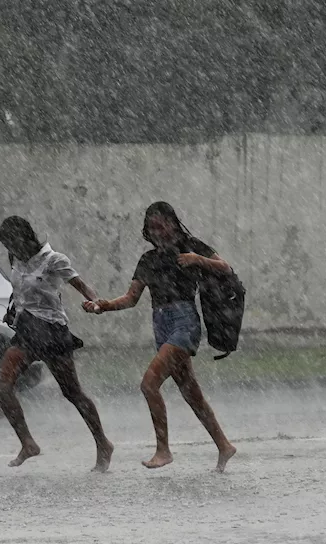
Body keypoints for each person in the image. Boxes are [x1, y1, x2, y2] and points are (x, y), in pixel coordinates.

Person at [83, 202, 238, 473]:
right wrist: (103, 305)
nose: (157, 231)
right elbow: (131, 299)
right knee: (192, 394)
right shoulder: (148, 259)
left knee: (149, 384)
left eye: (160, 225)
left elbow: (225, 267)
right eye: (151, 227)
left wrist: (197, 259)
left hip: (184, 322)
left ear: (172, 223)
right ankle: (224, 445)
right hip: (161, 325)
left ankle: (163, 450)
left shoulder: (190, 245)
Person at [0, 216, 114, 472]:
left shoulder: (53, 260)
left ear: (26, 237)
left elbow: (81, 286)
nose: (11, 250)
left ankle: (103, 443)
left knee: (72, 393)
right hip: (27, 330)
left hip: (51, 330)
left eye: (12, 243)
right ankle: (28, 443)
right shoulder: (15, 259)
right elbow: (19, 291)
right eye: (7, 246)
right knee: (3, 386)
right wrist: (13, 310)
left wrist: (96, 303)